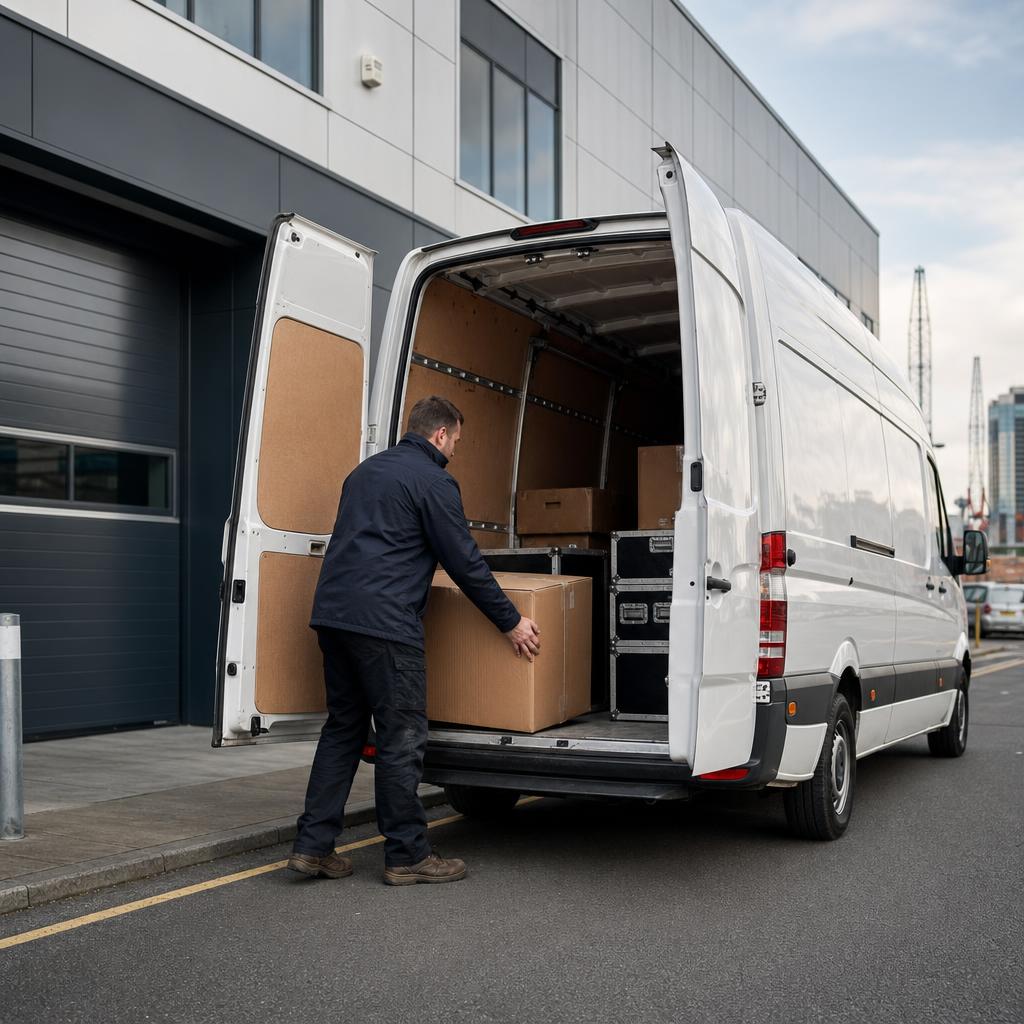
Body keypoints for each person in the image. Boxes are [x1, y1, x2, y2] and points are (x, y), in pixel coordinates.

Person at [287, 395, 541, 885]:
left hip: (334, 618)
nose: (455, 452)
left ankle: (313, 846)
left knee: (343, 729)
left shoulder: (363, 473)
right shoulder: (434, 479)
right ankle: (407, 853)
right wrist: (510, 620)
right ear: (441, 434)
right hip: (385, 625)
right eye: (457, 442)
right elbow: (464, 561)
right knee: (402, 737)